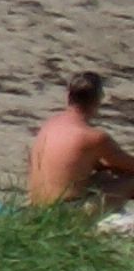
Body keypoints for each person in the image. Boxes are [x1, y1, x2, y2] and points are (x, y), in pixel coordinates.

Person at [28, 73, 134, 209]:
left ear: (68, 97)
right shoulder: (94, 137)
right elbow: (129, 165)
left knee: (103, 177)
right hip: (64, 214)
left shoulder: (49, 125)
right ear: (98, 99)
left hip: (35, 207)